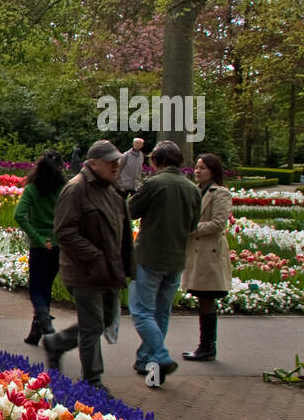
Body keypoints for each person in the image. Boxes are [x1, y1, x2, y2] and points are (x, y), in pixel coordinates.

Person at [40, 140, 134, 396]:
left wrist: (124, 264)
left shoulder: (111, 190)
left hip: (107, 270)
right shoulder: (76, 190)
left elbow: (121, 231)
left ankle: (56, 343)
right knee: (92, 326)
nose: (116, 165)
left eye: (117, 160)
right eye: (110, 161)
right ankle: (92, 380)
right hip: (84, 271)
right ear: (93, 163)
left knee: (100, 322)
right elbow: (65, 231)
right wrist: (94, 256)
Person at [126, 140, 201, 385]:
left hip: (150, 256)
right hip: (177, 258)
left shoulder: (154, 183)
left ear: (156, 161)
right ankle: (148, 365)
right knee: (161, 314)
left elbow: (131, 210)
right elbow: (193, 226)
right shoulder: (192, 188)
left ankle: (160, 355)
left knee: (141, 312)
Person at [181, 153, 232, 361]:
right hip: (197, 251)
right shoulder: (197, 192)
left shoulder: (220, 193)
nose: (197, 171)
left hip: (209, 253)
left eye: (202, 167)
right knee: (203, 298)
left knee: (207, 298)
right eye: (196, 167)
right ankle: (206, 346)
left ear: (213, 170)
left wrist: (189, 228)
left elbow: (219, 223)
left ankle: (208, 346)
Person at [14, 151, 65, 345]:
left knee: (36, 290)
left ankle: (45, 324)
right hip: (59, 244)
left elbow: (19, 215)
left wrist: (37, 236)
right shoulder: (63, 188)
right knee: (46, 288)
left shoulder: (32, 189)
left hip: (39, 245)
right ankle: (36, 331)